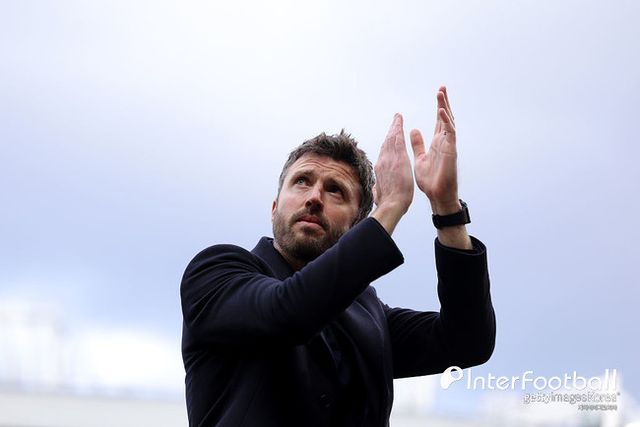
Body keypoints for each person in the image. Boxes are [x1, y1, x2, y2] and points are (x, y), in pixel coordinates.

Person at [180, 86, 496, 426]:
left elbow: (468, 342)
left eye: (335, 190)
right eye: (302, 181)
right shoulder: (215, 273)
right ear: (274, 208)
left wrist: (447, 209)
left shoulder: (368, 313)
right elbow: (286, 313)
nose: (314, 197)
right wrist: (390, 207)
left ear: (358, 225)